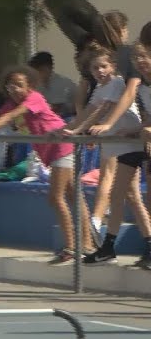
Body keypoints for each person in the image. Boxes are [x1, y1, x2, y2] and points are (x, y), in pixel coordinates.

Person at [0, 69, 91, 264]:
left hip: (61, 146)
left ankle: (72, 246)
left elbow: (11, 116)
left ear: (29, 86)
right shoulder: (11, 103)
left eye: (18, 85)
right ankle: (87, 243)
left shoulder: (34, 98)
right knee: (73, 195)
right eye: (10, 86)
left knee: (55, 197)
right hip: (52, 151)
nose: (14, 90)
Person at [68, 44, 151, 263]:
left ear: (113, 67)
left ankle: (119, 244)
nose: (100, 71)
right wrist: (70, 129)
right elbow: (91, 108)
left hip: (132, 145)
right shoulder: (106, 87)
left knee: (129, 196)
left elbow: (102, 109)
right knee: (125, 197)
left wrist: (83, 129)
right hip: (125, 143)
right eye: (95, 68)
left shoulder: (116, 84)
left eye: (103, 66)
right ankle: (111, 247)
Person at [28, 52, 78, 118]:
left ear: (46, 69)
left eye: (35, 72)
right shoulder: (39, 84)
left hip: (69, 117)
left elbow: (55, 108)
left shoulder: (61, 83)